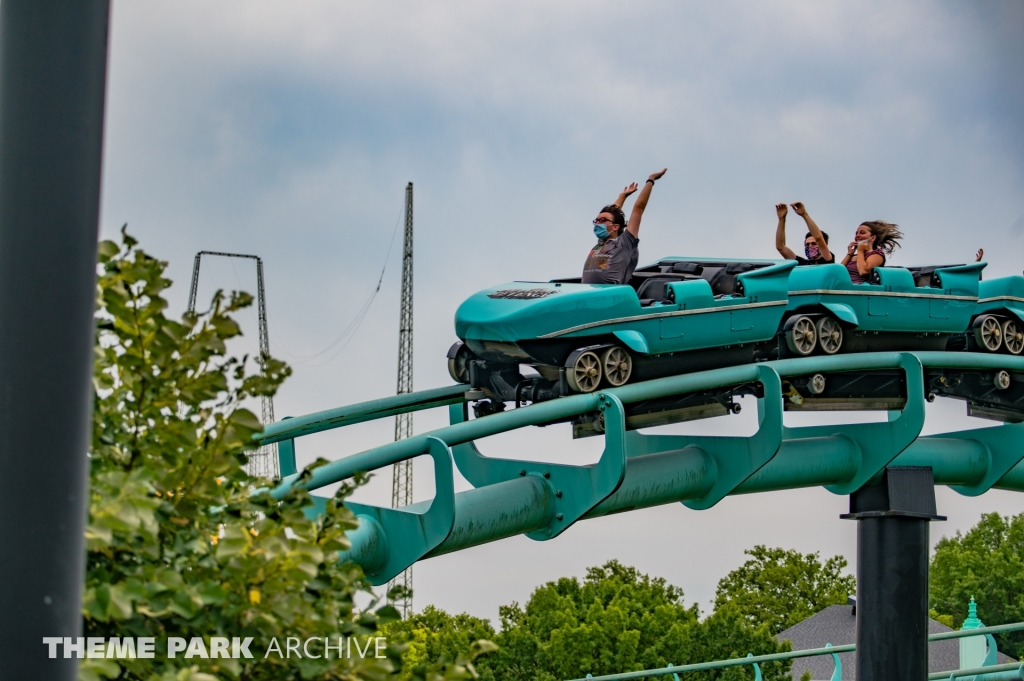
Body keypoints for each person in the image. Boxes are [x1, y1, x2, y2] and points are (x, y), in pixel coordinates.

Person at [581, 168, 668, 284]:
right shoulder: (600, 244)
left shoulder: (624, 243)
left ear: (615, 227)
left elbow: (639, 208)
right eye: (596, 220)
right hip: (588, 296)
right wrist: (622, 196)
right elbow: (613, 213)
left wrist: (650, 180)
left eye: (602, 220)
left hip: (611, 297)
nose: (598, 223)